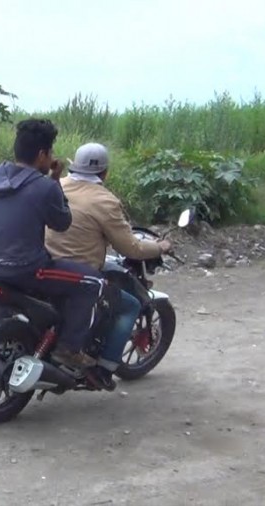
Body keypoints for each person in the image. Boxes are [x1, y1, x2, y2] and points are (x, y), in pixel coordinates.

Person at [0, 119, 104, 370]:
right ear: (43, 155)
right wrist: (55, 180)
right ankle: (68, 349)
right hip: (25, 270)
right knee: (94, 282)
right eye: (50, 152)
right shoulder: (45, 187)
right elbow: (62, 223)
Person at [45, 142, 172, 390]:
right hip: (78, 274)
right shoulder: (105, 201)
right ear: (105, 173)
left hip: (44, 265)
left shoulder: (56, 185)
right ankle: (104, 369)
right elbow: (131, 248)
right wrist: (161, 247)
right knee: (130, 305)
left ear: (73, 166)